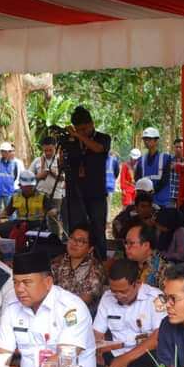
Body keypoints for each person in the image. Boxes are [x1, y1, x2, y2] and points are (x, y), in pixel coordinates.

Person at [0, 250, 97, 367]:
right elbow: (2, 355)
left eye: (27, 282)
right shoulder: (12, 307)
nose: (19, 289)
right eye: (15, 282)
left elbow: (64, 359)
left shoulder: (71, 308)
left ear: (48, 282)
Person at [94, 259, 164, 367]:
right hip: (115, 356)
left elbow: (158, 337)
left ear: (137, 283)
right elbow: (97, 333)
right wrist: (96, 351)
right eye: (114, 291)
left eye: (123, 291)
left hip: (142, 354)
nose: (118, 295)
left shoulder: (156, 298)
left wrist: (126, 358)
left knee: (159, 358)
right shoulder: (107, 297)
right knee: (85, 359)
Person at [62, 106, 111, 259]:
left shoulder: (103, 138)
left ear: (92, 124)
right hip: (75, 193)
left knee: (97, 228)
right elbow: (64, 162)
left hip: (96, 193)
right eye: (78, 129)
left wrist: (78, 135)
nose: (82, 132)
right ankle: (78, 261)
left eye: (84, 129)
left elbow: (98, 149)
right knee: (77, 230)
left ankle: (101, 261)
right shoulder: (71, 142)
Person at [50, 224, 106, 316]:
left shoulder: (95, 268)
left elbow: (86, 299)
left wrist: (61, 309)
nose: (74, 243)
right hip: (55, 310)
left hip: (82, 314)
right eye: (72, 238)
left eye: (81, 241)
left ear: (90, 249)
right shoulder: (57, 262)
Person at [30, 136, 64, 237]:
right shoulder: (37, 161)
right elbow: (29, 178)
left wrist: (55, 174)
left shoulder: (60, 160)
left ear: (55, 148)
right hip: (39, 195)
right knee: (37, 220)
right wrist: (39, 175)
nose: (48, 152)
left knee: (53, 220)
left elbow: (65, 178)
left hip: (56, 196)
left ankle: (54, 242)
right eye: (45, 150)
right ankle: (38, 241)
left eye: (50, 150)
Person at [135, 127, 172, 209]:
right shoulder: (141, 160)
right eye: (145, 139)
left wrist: (152, 191)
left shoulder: (166, 158)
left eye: (149, 139)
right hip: (145, 202)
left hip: (162, 201)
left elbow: (165, 179)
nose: (146, 141)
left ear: (156, 141)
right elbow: (138, 179)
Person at [125, 223, 169, 289]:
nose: (126, 247)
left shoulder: (163, 268)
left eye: (131, 243)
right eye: (126, 243)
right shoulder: (128, 264)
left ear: (146, 245)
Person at [0, 142, 17, 217]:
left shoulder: (14, 164)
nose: (5, 153)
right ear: (1, 152)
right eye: (3, 151)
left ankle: (12, 228)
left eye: (7, 151)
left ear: (10, 152)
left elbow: (14, 177)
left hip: (9, 192)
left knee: (11, 212)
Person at [170, 138, 184, 207]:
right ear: (174, 148)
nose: (178, 149)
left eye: (180, 147)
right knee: (170, 214)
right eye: (176, 147)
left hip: (182, 195)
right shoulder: (169, 160)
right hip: (171, 194)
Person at [105, 150, 120, 215]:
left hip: (100, 186)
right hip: (110, 185)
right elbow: (117, 173)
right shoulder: (114, 161)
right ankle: (107, 220)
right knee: (108, 204)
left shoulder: (99, 160)